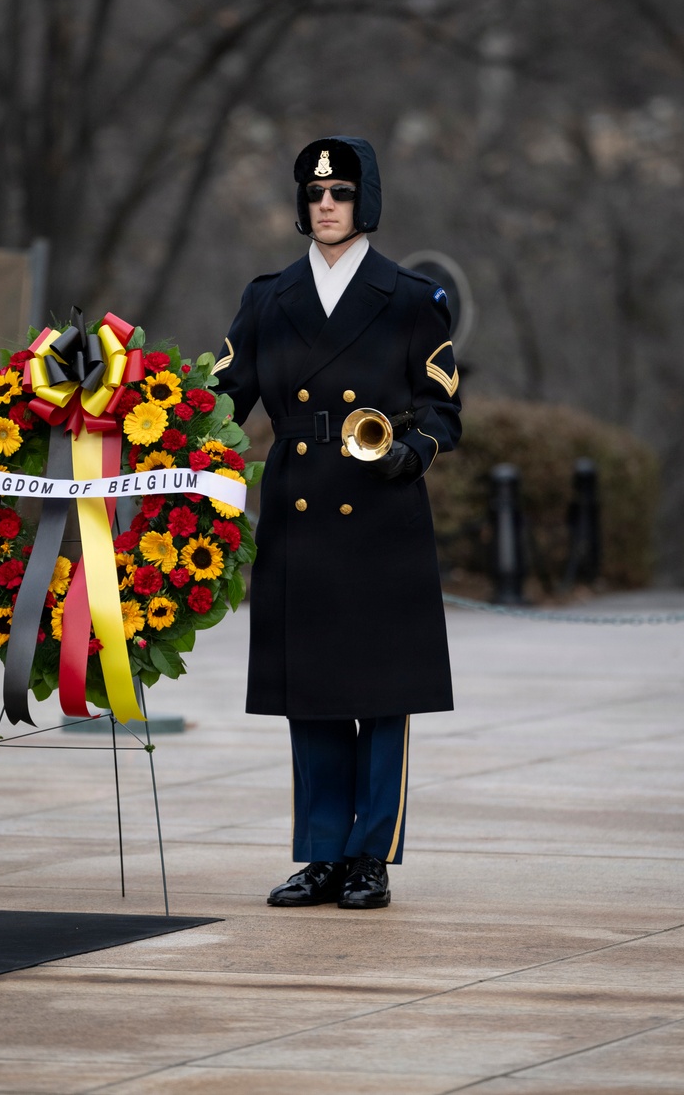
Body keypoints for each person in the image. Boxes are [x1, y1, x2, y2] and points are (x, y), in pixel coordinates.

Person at [215, 136, 461, 910]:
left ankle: (370, 856)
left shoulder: (413, 298)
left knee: (383, 694)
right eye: (315, 193)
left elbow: (443, 411)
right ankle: (321, 854)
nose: (326, 205)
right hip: (299, 510)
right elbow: (216, 404)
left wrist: (409, 452)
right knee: (312, 690)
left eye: (342, 193)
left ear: (367, 202)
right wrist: (127, 402)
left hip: (381, 510)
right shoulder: (268, 298)